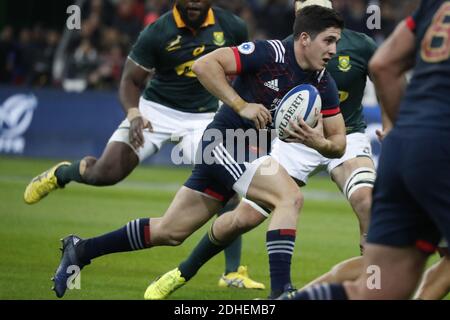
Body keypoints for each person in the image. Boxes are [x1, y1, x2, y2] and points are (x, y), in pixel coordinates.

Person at [51, 5, 346, 299]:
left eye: (336, 41)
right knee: (289, 197)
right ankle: (281, 292)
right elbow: (204, 66)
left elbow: (338, 143)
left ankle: (82, 249)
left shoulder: (324, 82)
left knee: (170, 232)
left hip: (247, 152)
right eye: (328, 40)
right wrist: (241, 105)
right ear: (305, 38)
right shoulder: (268, 53)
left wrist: (315, 142)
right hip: (225, 143)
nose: (334, 49)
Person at [24, 0, 264, 294]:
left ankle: (231, 272)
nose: (193, 3)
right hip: (156, 110)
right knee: (105, 172)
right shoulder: (157, 31)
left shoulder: (232, 27)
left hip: (205, 115)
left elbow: (245, 71)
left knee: (226, 180)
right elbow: (130, 81)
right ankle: (63, 174)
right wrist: (134, 114)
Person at [145, 0, 380, 300]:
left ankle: (375, 285)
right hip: (292, 139)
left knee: (366, 200)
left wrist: (394, 121)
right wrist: (243, 109)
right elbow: (219, 69)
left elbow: (388, 76)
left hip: (346, 136)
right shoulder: (284, 50)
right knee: (243, 218)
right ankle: (183, 271)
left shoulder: (361, 45)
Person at [281, 0, 450, 299]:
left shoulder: (433, 6)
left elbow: (384, 65)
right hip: (441, 146)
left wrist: (404, 134)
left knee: (378, 285)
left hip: (407, 146)